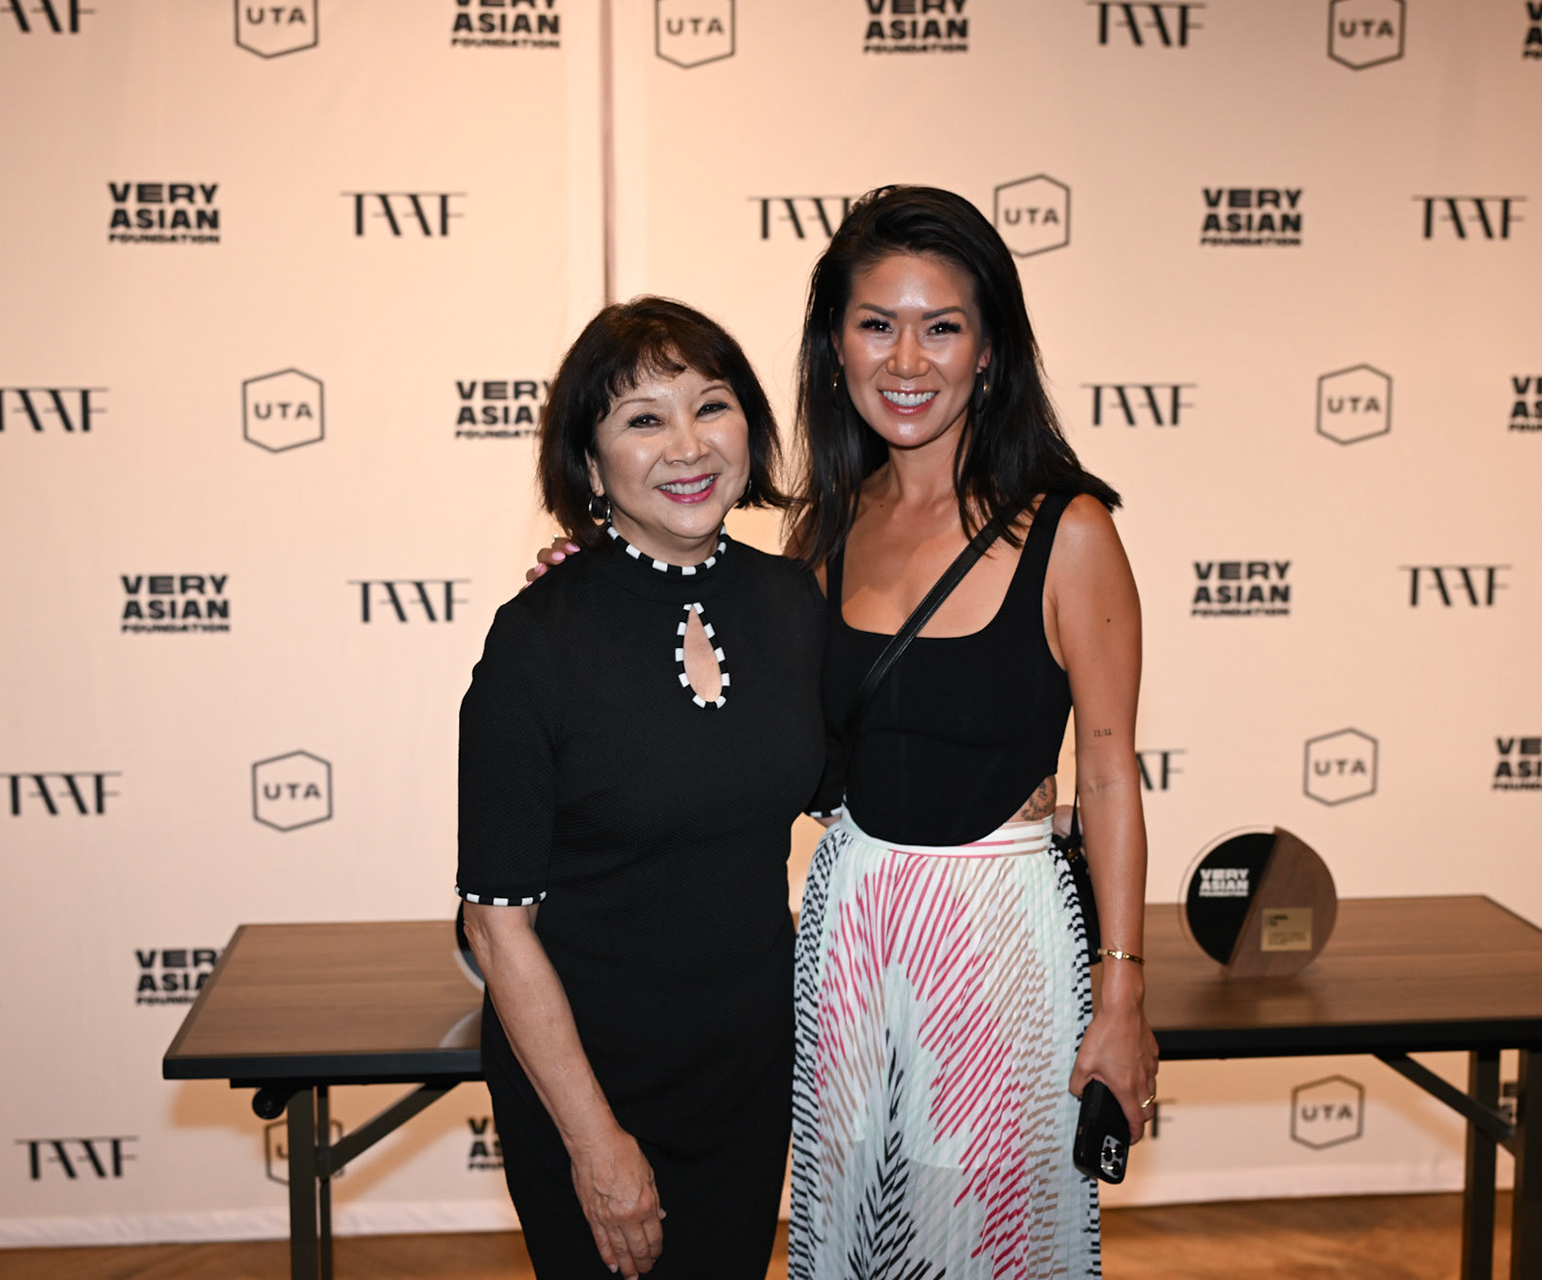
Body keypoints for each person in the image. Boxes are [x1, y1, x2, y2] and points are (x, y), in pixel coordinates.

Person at [782, 186, 1157, 1279]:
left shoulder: (1068, 531)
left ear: (989, 350)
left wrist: (1122, 993)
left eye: (941, 326)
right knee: (850, 1226)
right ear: (836, 346)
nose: (908, 359)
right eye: (876, 324)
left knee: (990, 1235)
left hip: (1001, 937)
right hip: (851, 925)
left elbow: (1109, 773)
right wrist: (588, 580)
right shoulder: (822, 531)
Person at [458, 297, 828, 1279]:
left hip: (746, 1080)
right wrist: (595, 1142)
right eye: (643, 419)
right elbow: (497, 925)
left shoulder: (795, 605)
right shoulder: (536, 641)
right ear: (589, 465)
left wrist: (1017, 789)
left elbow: (860, 795)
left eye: (711, 405)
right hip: (588, 1085)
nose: (688, 445)